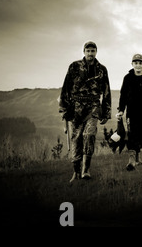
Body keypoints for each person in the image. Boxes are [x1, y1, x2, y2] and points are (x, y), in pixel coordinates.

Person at [59, 41, 111, 182]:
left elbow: (106, 91)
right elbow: (66, 88)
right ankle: (75, 172)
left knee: (89, 135)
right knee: (76, 139)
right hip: (75, 108)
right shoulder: (74, 67)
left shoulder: (102, 69)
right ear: (83, 51)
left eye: (93, 50)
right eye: (88, 51)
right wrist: (64, 109)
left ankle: (86, 169)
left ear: (96, 52)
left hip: (93, 106)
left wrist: (106, 112)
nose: (90, 53)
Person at [116, 53, 142, 171]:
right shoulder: (128, 78)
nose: (138, 65)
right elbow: (123, 95)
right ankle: (131, 161)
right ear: (132, 64)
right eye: (136, 63)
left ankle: (138, 158)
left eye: (140, 63)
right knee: (132, 134)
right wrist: (121, 110)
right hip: (132, 112)